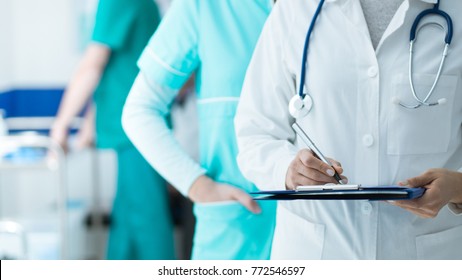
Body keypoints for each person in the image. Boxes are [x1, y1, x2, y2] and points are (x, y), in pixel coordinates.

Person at [235, 0, 462, 260]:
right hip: (314, 252)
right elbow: (255, 131)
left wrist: (458, 187)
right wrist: (288, 170)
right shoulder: (296, 9)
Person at [122, 0, 276, 259]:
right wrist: (198, 186)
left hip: (325, 228)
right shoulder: (204, 6)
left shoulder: (331, 8)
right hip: (236, 227)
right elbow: (139, 110)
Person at [50, 0, 175, 260]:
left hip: (139, 131)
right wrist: (88, 122)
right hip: (136, 131)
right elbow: (118, 68)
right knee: (126, 225)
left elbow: (92, 65)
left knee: (147, 223)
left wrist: (60, 126)